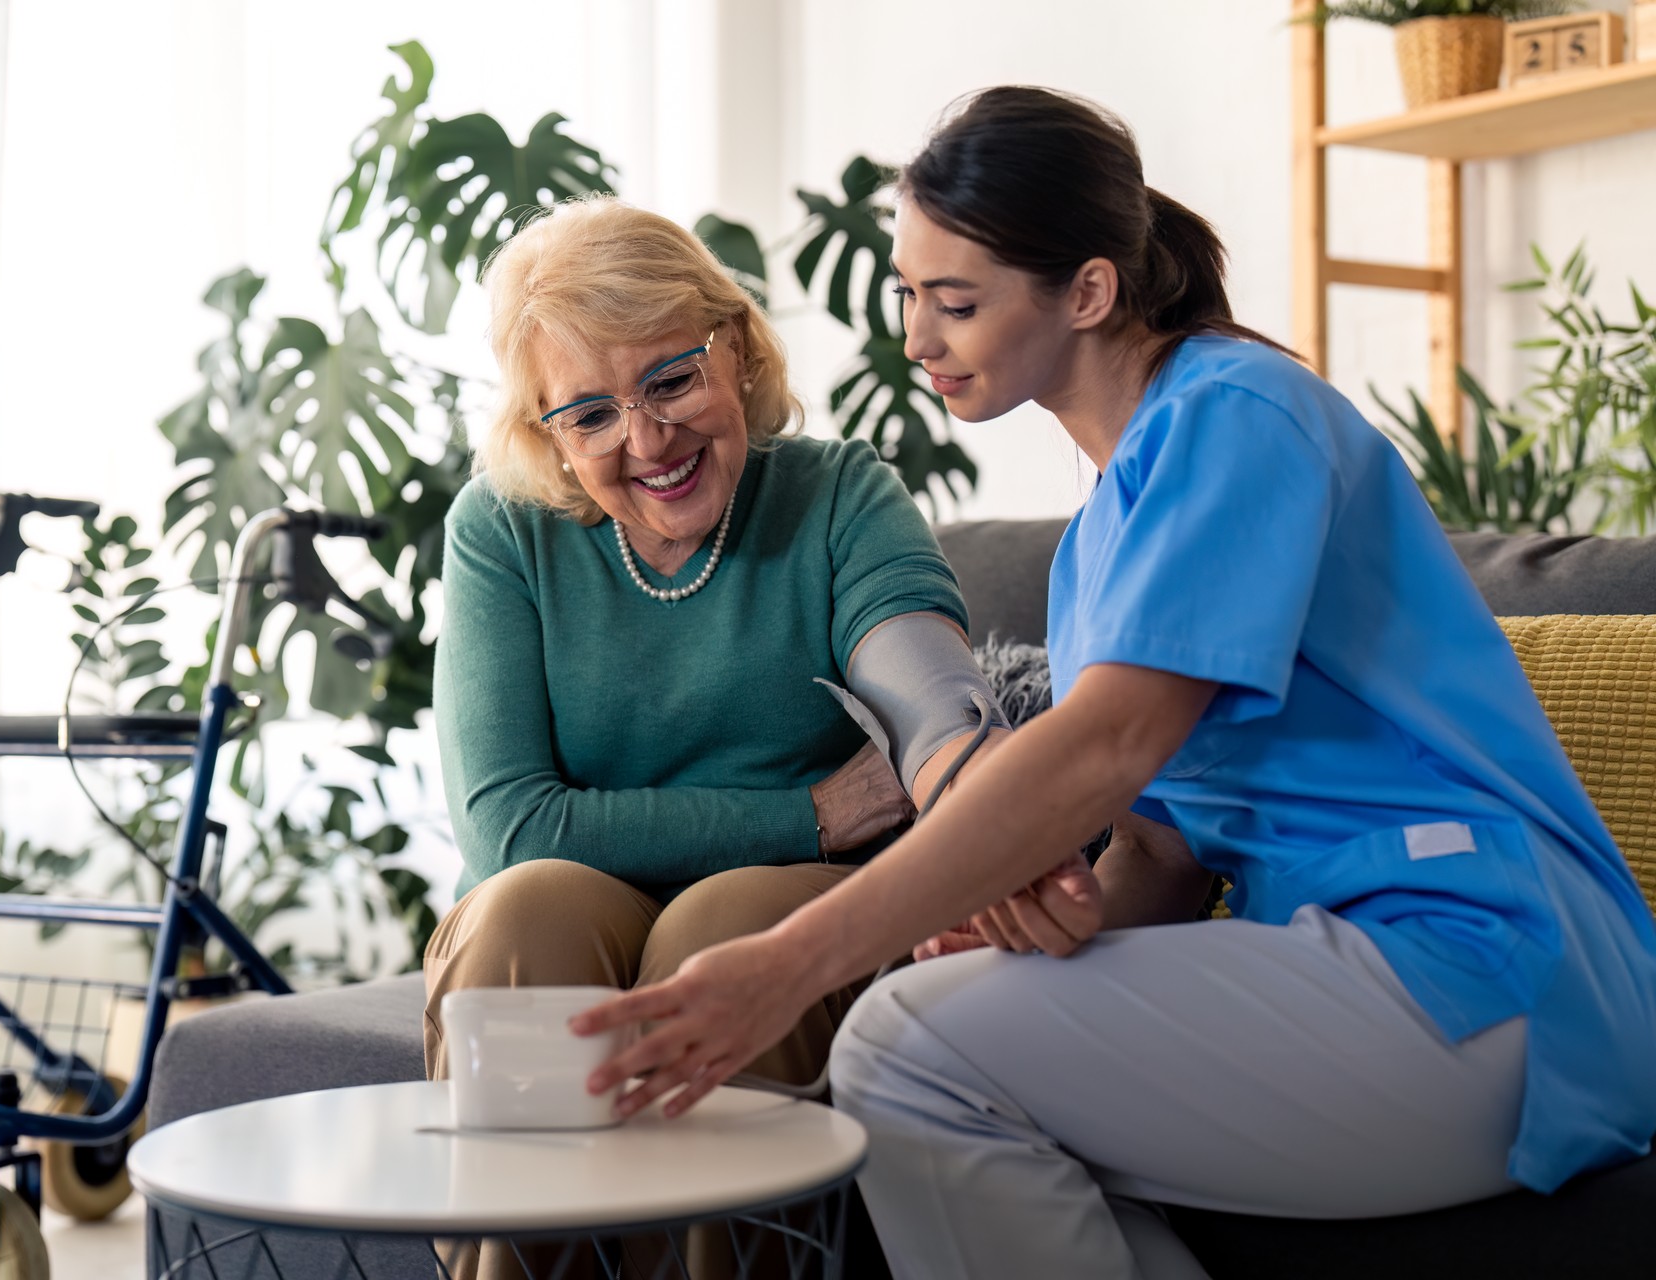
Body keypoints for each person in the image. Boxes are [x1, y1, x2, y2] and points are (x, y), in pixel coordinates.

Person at [571, 87, 1656, 1279]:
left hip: (1492, 968)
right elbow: (1160, 853)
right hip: (1361, 959)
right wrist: (1027, 920)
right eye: (906, 294)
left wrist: (789, 961)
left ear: (1087, 291)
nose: (916, 338)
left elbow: (1103, 746)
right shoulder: (1105, 535)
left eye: (956, 301)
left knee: (906, 1046)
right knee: (951, 1039)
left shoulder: (1234, 413)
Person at [428, 196, 1011, 1092]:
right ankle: (520, 1234)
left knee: (726, 926)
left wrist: (995, 810)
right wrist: (807, 815)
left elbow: (927, 695)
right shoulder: (502, 530)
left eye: (670, 380)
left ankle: (717, 1238)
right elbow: (510, 828)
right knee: (522, 909)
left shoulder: (839, 497)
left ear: (734, 347)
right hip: (611, 895)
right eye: (589, 415)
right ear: (545, 427)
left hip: (783, 900)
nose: (648, 440)